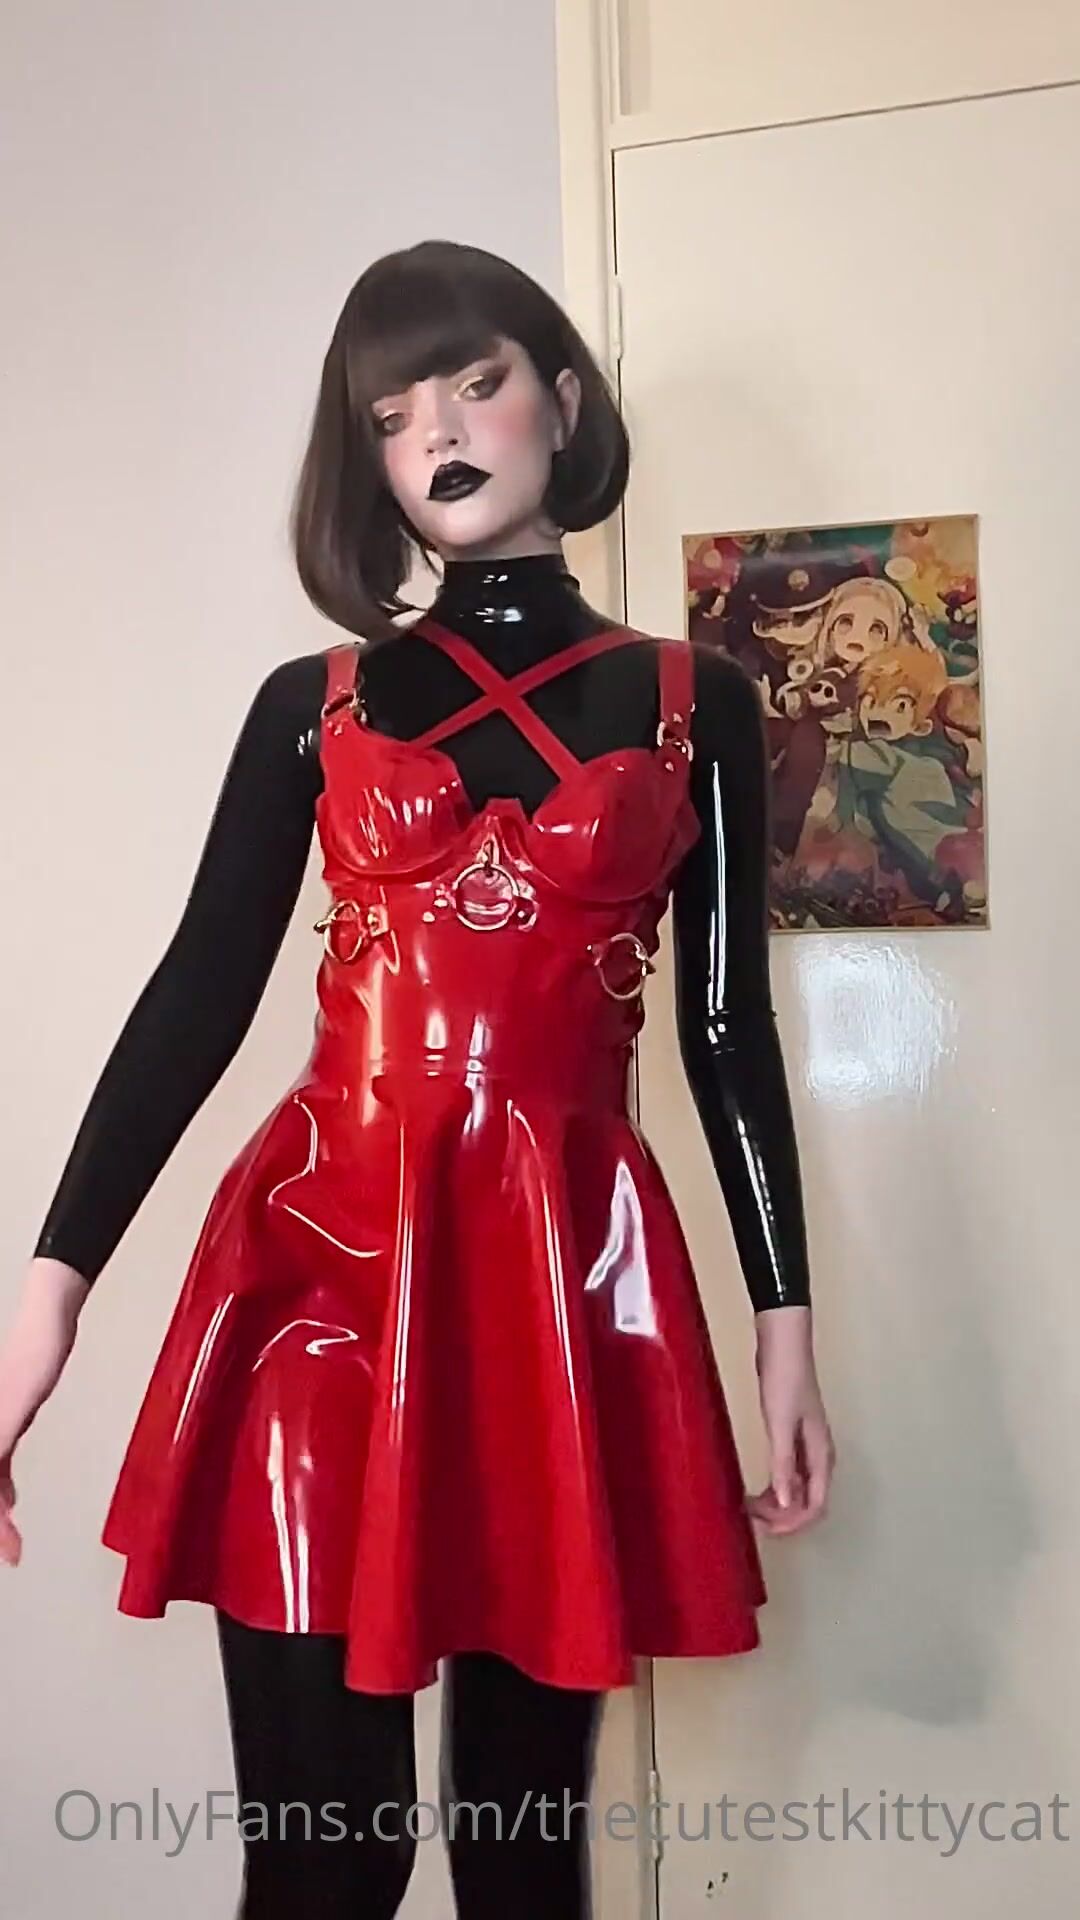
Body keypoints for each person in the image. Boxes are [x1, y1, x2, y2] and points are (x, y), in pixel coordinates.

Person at [0, 240, 835, 1919]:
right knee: (327, 1861)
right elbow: (194, 1000)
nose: (439, 432)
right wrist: (46, 1300)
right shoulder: (308, 706)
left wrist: (784, 1335)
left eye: (475, 382)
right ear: (368, 460)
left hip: (563, 1298)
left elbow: (724, 1031)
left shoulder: (699, 702)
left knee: (524, 1868)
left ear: (561, 404)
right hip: (317, 1283)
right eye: (393, 414)